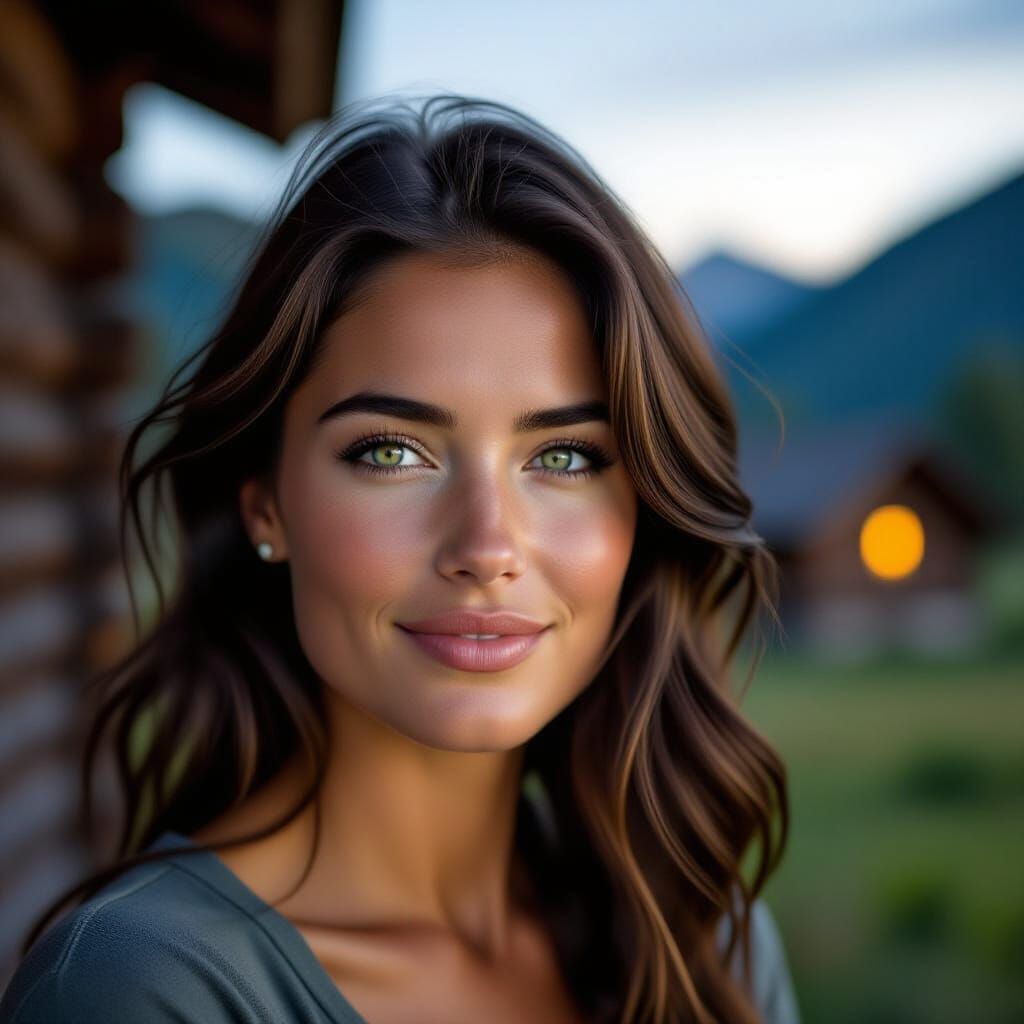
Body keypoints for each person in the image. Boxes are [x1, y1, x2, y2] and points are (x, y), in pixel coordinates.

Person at [0, 94, 800, 1024]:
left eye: (565, 457)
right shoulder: (139, 990)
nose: (487, 547)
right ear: (268, 504)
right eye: (392, 452)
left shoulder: (705, 942)